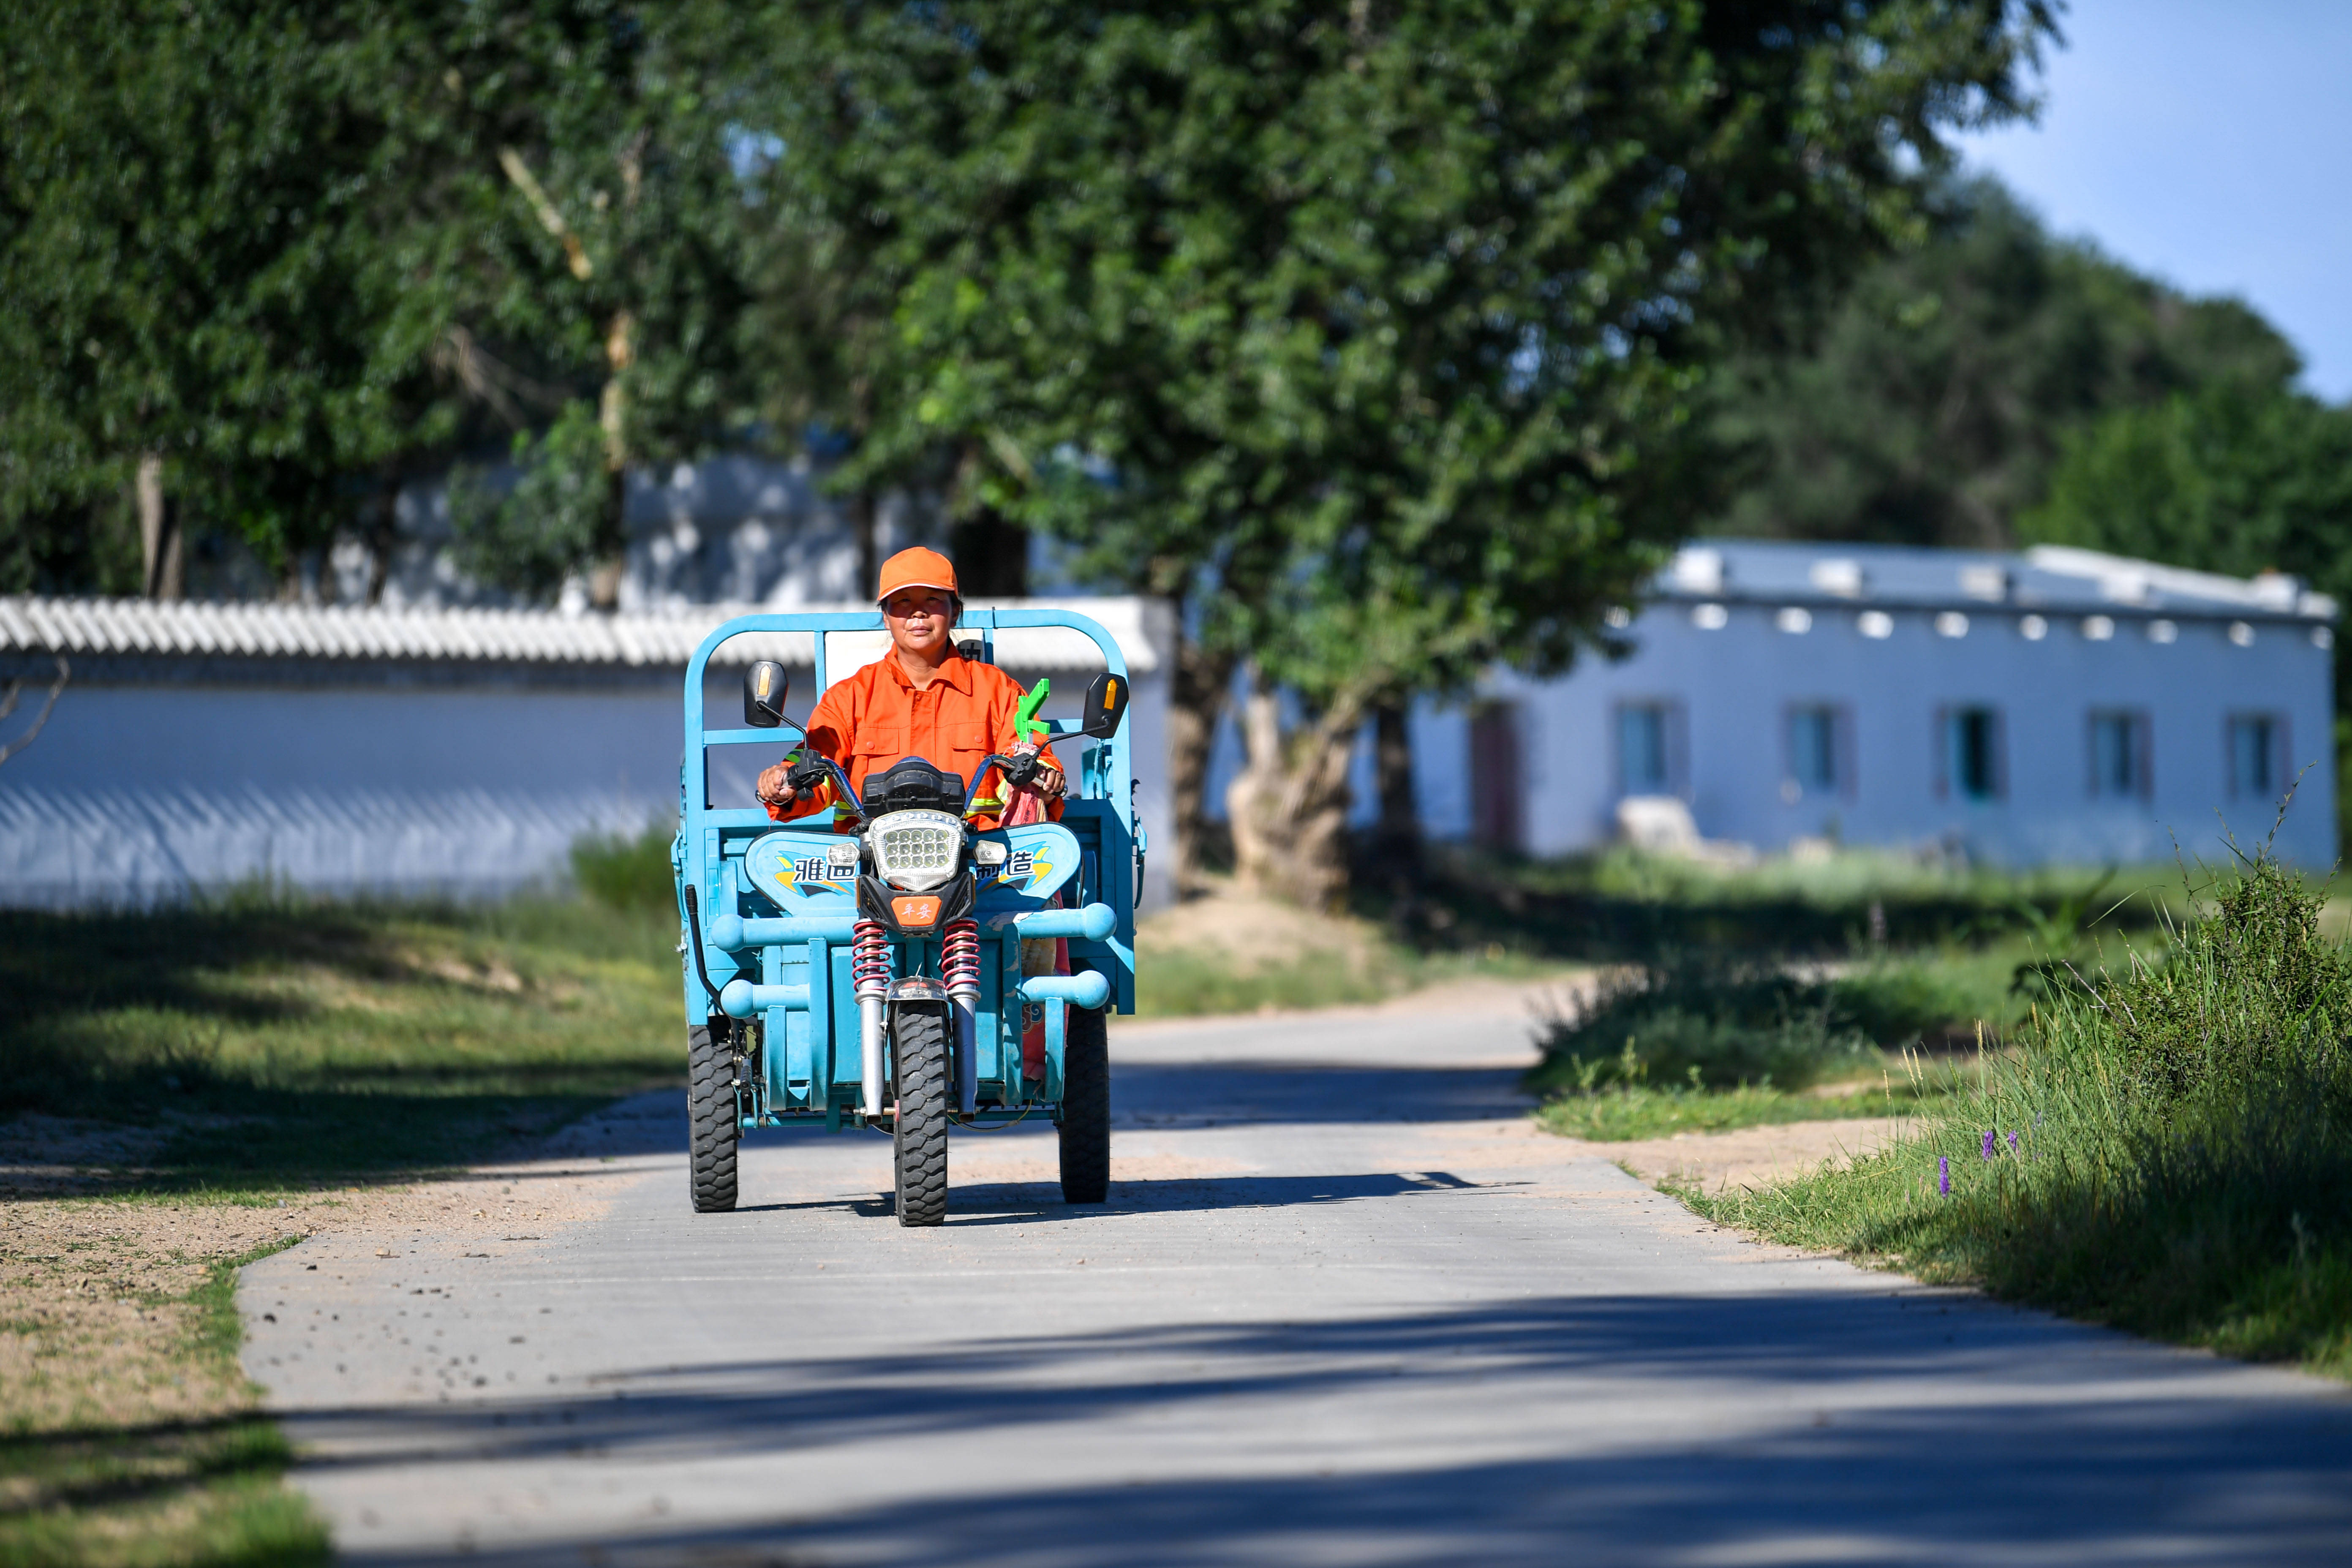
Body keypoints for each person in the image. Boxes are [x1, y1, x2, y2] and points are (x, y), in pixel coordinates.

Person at [755, 546, 1065, 830]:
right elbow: (816, 761)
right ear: (886, 617)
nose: (918, 612)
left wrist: (1044, 779)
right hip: (870, 866)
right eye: (903, 602)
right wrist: (783, 782)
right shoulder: (849, 697)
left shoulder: (999, 690)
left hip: (979, 865)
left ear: (955, 612)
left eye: (932, 600)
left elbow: (1031, 753)